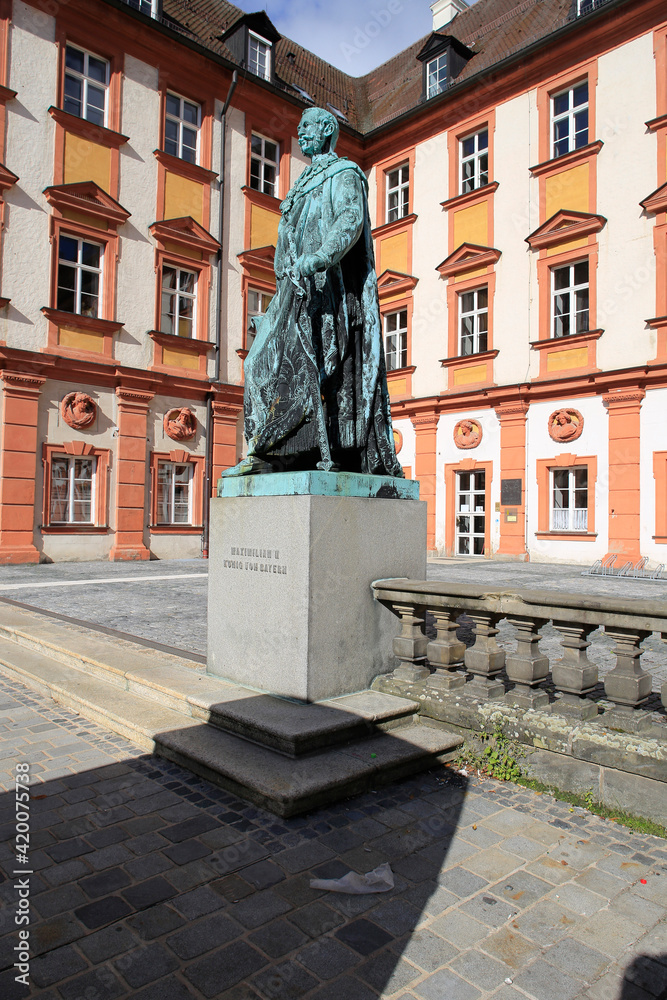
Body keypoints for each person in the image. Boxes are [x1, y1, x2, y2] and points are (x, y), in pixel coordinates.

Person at [223, 106, 403, 478]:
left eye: (307, 126)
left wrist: (321, 257)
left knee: (314, 369)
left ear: (326, 130)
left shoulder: (344, 173)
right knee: (260, 362)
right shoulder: (302, 182)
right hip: (294, 291)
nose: (300, 132)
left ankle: (289, 450)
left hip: (327, 292)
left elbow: (350, 219)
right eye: (300, 126)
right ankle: (272, 447)